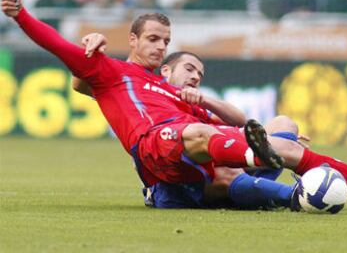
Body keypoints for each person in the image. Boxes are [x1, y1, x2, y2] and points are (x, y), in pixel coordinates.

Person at [1, 0, 347, 210]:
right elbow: (57, 46)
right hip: (156, 145)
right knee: (205, 134)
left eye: (166, 41)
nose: (161, 47)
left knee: (279, 137)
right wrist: (19, 14)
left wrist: (207, 106)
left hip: (192, 149)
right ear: (133, 40)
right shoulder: (109, 70)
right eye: (154, 40)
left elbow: (224, 119)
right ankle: (269, 168)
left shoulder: (173, 90)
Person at [74, 48, 304, 209]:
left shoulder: (196, 106)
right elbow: (82, 84)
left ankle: (260, 195)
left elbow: (241, 122)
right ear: (165, 71)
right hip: (173, 183)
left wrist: (280, 141)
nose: (195, 76)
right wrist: (89, 50)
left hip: (211, 173)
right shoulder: (142, 91)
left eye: (199, 74)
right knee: (223, 170)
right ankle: (296, 196)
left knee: (284, 124)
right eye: (189, 69)